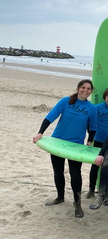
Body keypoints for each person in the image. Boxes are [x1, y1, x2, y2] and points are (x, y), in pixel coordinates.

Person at [33, 79, 97, 218]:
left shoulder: (92, 108)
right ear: (78, 88)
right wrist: (40, 133)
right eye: (83, 87)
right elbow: (50, 117)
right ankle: (60, 197)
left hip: (76, 145)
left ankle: (77, 202)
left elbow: (93, 128)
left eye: (88, 89)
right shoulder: (65, 101)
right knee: (58, 171)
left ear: (91, 91)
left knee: (75, 173)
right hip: (57, 142)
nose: (85, 90)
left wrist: (90, 141)